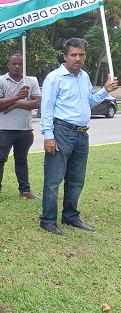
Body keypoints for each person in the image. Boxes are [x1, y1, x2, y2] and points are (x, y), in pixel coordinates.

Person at [39, 38, 118, 235]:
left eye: (81, 54)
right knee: (54, 179)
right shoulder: (54, 78)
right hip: (61, 132)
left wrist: (104, 91)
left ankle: (70, 216)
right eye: (73, 54)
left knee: (76, 179)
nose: (77, 58)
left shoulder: (84, 77)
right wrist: (48, 136)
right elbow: (46, 109)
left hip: (82, 134)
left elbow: (88, 102)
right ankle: (48, 220)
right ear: (65, 56)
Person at [0, 53, 41, 202]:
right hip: (5, 128)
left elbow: (37, 103)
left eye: (20, 64)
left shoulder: (31, 81)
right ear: (8, 65)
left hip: (25, 129)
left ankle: (25, 190)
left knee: (22, 160)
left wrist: (15, 104)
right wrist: (18, 97)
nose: (17, 66)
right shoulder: (0, 81)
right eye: (14, 63)